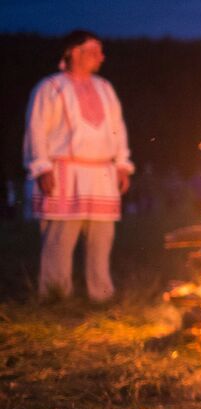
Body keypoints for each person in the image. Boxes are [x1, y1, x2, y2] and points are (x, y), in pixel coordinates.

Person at [23, 30, 134, 302]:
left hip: (101, 172)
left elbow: (117, 129)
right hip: (65, 172)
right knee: (60, 238)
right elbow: (36, 129)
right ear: (74, 52)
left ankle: (101, 294)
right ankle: (55, 295)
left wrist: (121, 163)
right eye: (94, 51)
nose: (101, 57)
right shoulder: (50, 88)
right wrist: (41, 167)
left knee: (101, 238)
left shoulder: (105, 88)